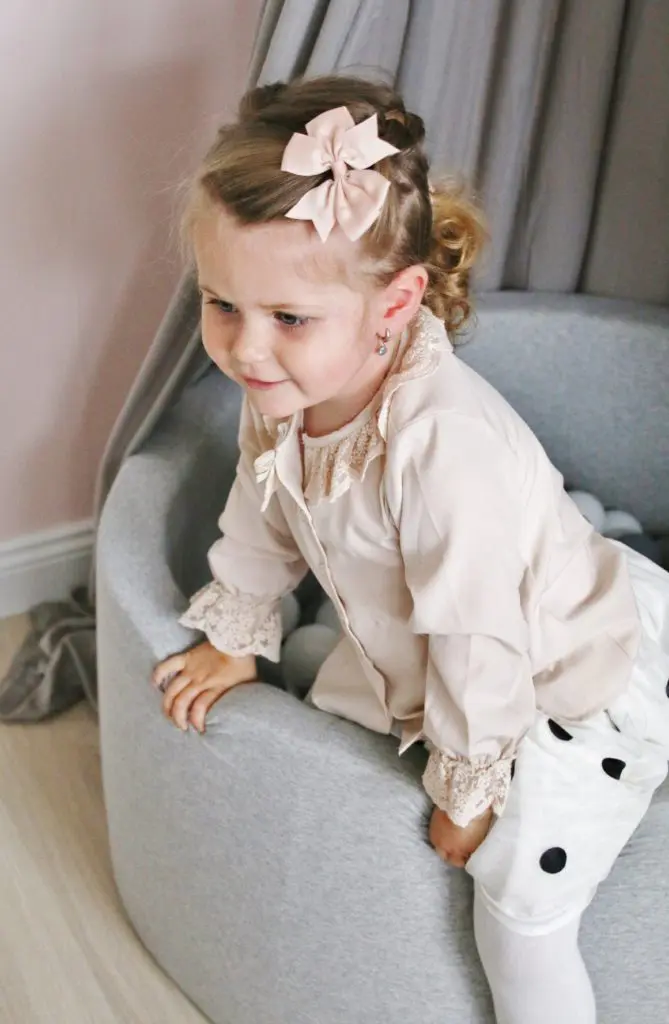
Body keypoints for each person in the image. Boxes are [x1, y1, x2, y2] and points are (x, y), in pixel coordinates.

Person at [152, 75, 669, 1023]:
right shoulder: (284, 390)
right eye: (221, 303)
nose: (245, 349)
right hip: (429, 651)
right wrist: (237, 627)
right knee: (321, 701)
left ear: (395, 304)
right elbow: (263, 511)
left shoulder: (440, 449)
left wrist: (469, 789)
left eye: (287, 318)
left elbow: (477, 636)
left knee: (520, 921)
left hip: (548, 677)